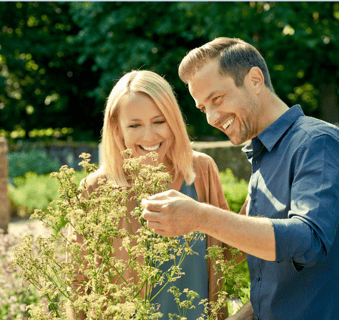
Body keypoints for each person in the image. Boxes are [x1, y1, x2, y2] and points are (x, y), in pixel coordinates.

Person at [141, 37, 339, 320]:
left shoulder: (315, 142)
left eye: (216, 99)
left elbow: (310, 241)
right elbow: (277, 284)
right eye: (202, 108)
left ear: (255, 80)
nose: (211, 117)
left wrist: (201, 217)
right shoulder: (263, 157)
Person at [72, 70, 234, 320]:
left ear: (174, 122)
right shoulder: (94, 190)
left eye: (159, 122)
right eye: (135, 125)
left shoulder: (201, 171)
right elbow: (78, 281)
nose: (149, 136)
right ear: (117, 129)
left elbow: (228, 249)